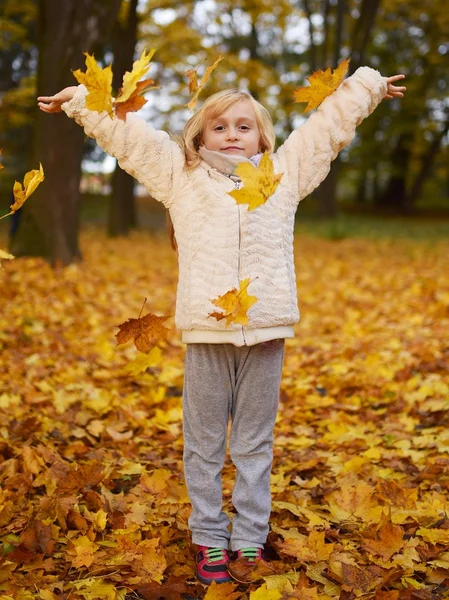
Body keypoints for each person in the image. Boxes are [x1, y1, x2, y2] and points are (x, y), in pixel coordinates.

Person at [38, 66, 405, 585]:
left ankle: (250, 538)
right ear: (200, 135)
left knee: (255, 443)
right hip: (207, 336)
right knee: (204, 441)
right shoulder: (180, 176)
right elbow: (131, 138)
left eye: (243, 126)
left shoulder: (285, 175)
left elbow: (328, 128)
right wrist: (81, 101)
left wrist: (366, 85)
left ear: (262, 135)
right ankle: (210, 536)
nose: (232, 135)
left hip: (267, 333)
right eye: (220, 127)